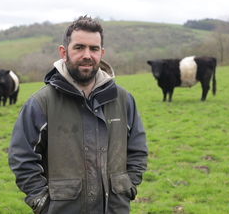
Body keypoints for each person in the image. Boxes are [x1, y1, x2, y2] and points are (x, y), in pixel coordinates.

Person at [8, 15, 148, 214]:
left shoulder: (123, 100)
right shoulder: (41, 103)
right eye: (79, 47)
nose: (87, 55)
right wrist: (40, 201)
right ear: (63, 52)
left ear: (102, 52)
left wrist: (128, 187)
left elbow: (138, 150)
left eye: (94, 49)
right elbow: (22, 157)